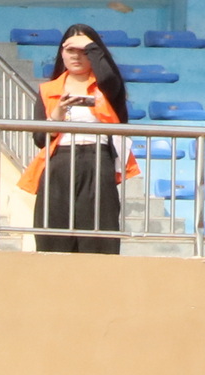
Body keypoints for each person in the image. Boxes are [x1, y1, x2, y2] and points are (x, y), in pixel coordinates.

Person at [28, 22, 131, 255]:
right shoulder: (48, 90)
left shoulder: (106, 86)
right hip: (60, 162)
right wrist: (56, 116)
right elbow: (39, 139)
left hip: (98, 159)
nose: (77, 56)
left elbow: (109, 77)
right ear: (61, 53)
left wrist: (91, 46)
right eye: (70, 50)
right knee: (53, 233)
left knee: (98, 233)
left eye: (84, 51)